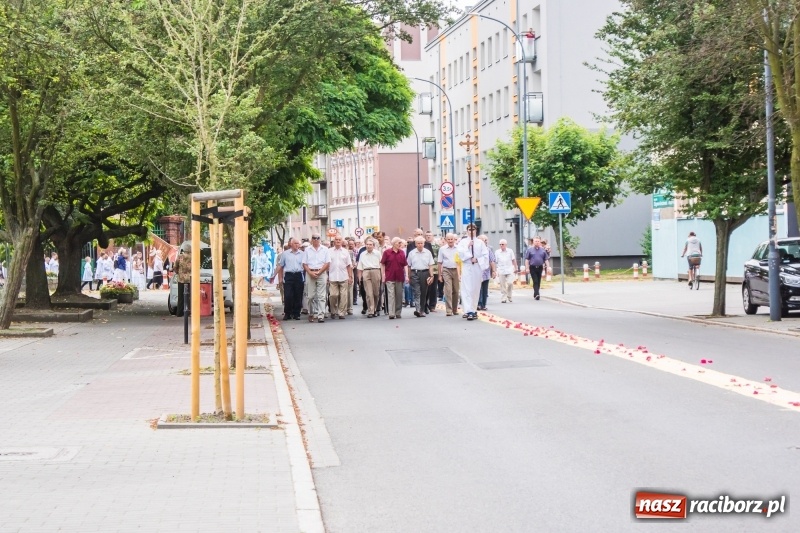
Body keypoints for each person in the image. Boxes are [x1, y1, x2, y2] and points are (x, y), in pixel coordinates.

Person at [457, 225, 489, 321]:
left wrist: (477, 259)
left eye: (473, 229)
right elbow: (460, 253)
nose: (471, 231)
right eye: (469, 229)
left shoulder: (480, 243)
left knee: (475, 289)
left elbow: (485, 255)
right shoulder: (463, 242)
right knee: (467, 289)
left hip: (476, 267)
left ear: (476, 230)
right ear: (467, 231)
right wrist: (468, 247)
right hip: (467, 266)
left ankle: (473, 309)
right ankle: (468, 310)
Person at [274, 238, 305, 320]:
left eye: (298, 243)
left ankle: (296, 313)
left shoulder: (302, 254)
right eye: (295, 243)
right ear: (291, 244)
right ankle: (287, 313)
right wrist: (274, 275)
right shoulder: (285, 254)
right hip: (289, 275)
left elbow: (306, 265)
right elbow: (280, 265)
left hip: (298, 275)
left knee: (298, 295)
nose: (296, 245)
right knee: (288, 295)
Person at [303, 234, 330, 323]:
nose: (316, 239)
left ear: (320, 239)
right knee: (310, 296)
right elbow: (304, 263)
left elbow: (327, 263)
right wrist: (310, 272)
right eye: (314, 238)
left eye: (318, 238)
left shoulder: (325, 250)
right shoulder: (307, 250)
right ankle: (311, 313)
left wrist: (320, 272)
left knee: (322, 296)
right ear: (312, 239)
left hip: (321, 273)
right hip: (310, 272)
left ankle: (320, 315)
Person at [406, 236, 435, 317]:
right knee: (417, 292)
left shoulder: (428, 252)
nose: (420, 245)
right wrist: (408, 276)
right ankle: (418, 309)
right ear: (415, 244)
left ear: (424, 244)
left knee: (423, 292)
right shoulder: (411, 253)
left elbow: (430, 265)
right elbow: (409, 265)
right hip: (414, 273)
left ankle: (421, 310)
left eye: (421, 243)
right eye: (418, 243)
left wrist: (431, 276)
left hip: (425, 273)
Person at [381, 237, 408, 319]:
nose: (400, 244)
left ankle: (398, 312)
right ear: (394, 244)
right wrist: (383, 275)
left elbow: (405, 264)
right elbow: (382, 264)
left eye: (401, 243)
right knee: (391, 295)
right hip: (390, 276)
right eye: (398, 243)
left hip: (399, 276)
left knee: (399, 295)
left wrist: (406, 275)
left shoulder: (402, 252)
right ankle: (391, 313)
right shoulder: (387, 252)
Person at [328, 236, 353, 319]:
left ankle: (341, 312)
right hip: (332, 276)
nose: (338, 241)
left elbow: (348, 265)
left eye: (339, 240)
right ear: (334, 241)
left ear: (342, 242)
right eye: (336, 240)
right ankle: (333, 311)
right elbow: (326, 264)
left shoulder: (346, 252)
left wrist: (350, 276)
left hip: (343, 276)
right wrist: (327, 275)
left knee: (344, 295)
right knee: (333, 295)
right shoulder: (329, 251)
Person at [357, 238, 382, 317]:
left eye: (370, 245)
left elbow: (381, 264)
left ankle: (374, 308)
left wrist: (382, 275)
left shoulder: (377, 253)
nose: (368, 246)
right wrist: (359, 278)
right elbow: (360, 267)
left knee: (376, 293)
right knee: (368, 293)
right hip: (366, 271)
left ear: (373, 246)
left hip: (376, 271)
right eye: (367, 245)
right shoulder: (362, 254)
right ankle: (371, 311)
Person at [437, 233, 460, 316]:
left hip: (456, 270)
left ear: (454, 240)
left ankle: (455, 309)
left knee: (456, 291)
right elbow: (439, 262)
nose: (450, 241)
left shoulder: (459, 248)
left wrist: (460, 273)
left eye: (452, 239)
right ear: (446, 240)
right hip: (446, 270)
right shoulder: (442, 249)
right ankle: (449, 310)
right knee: (448, 290)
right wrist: (440, 275)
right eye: (448, 239)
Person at [524, 236, 549, 300]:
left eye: (538, 241)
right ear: (533, 242)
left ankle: (535, 293)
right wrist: (527, 268)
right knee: (535, 281)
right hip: (532, 267)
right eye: (535, 241)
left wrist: (548, 267)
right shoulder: (530, 250)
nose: (537, 242)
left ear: (540, 242)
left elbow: (546, 259)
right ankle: (537, 294)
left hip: (540, 267)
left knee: (539, 280)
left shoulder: (543, 250)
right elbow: (527, 259)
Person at [476, 235, 496, 311]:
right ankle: (479, 304)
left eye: (485, 240)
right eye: (482, 240)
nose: (484, 241)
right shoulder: (475, 250)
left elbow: (492, 260)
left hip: (486, 272)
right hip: (477, 272)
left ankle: (483, 304)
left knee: (484, 289)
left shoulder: (488, 250)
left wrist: (493, 271)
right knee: (478, 289)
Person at [174, 243, 192, 317]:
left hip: (181, 279)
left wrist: (177, 272)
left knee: (181, 296)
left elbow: (175, 266)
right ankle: (188, 312)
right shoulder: (192, 257)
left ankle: (179, 312)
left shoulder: (180, 256)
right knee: (189, 296)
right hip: (190, 279)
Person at [425, 231, 441, 312]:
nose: (428, 237)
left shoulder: (437, 246)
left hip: (434, 270)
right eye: (427, 235)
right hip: (425, 269)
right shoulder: (423, 245)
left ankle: (432, 306)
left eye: (430, 235)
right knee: (426, 288)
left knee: (433, 289)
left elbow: (439, 259)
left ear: (433, 236)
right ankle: (425, 305)